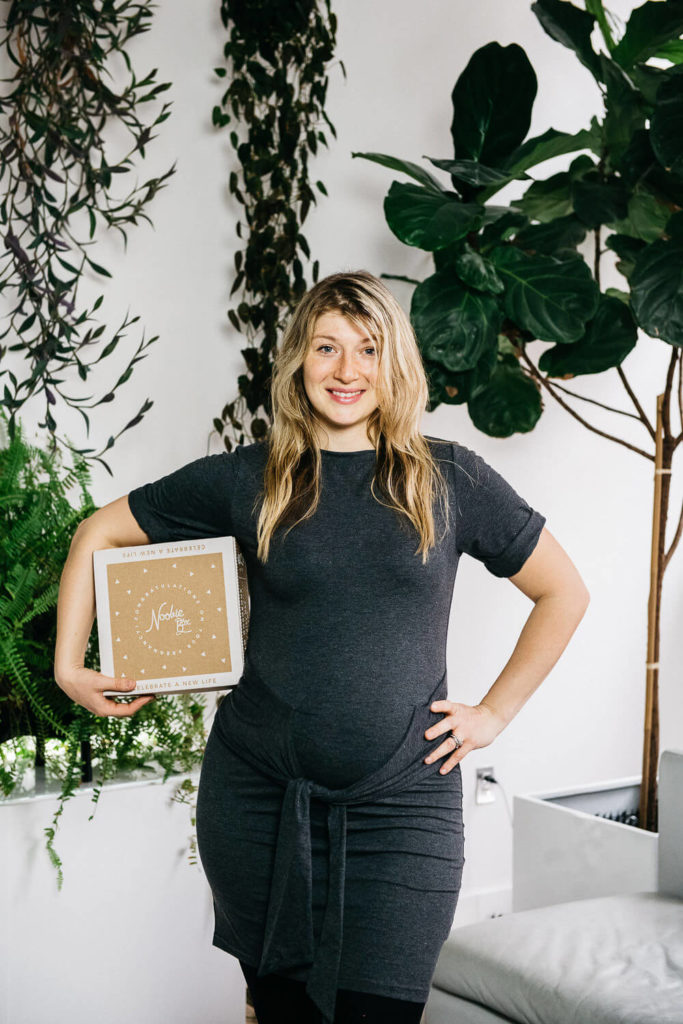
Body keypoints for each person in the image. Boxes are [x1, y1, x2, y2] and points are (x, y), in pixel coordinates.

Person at [54, 269, 590, 1024]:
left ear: (393, 362)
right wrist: (68, 665)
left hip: (404, 805)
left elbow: (563, 592)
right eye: (326, 347)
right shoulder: (253, 477)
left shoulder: (449, 477)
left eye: (367, 349)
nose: (346, 371)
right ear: (297, 361)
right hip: (260, 800)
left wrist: (493, 714)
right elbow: (97, 531)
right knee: (284, 1014)